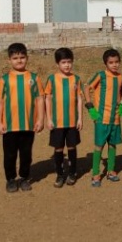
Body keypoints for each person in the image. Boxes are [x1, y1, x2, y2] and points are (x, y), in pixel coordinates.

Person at [0, 42, 44, 193]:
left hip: (28, 125)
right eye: (15, 58)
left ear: (27, 58)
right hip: (9, 125)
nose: (19, 60)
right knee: (9, 154)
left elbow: (40, 99)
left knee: (26, 154)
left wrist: (40, 119)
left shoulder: (34, 78)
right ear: (9, 60)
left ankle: (23, 177)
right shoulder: (4, 79)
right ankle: (10, 179)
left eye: (22, 57)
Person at [86, 48, 122, 187]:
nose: (114, 65)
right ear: (106, 64)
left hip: (115, 119)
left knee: (113, 145)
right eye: (111, 62)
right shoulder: (101, 75)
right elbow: (87, 88)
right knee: (99, 146)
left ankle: (110, 171)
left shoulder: (121, 77)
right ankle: (96, 175)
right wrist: (90, 107)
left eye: (116, 62)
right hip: (101, 118)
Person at [44, 47, 84, 188]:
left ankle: (72, 173)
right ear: (57, 64)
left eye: (69, 62)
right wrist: (48, 119)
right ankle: (60, 174)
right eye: (63, 62)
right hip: (57, 122)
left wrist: (80, 119)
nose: (67, 65)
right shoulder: (52, 79)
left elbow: (79, 99)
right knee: (59, 148)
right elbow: (47, 99)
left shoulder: (76, 79)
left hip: (72, 122)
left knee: (72, 147)